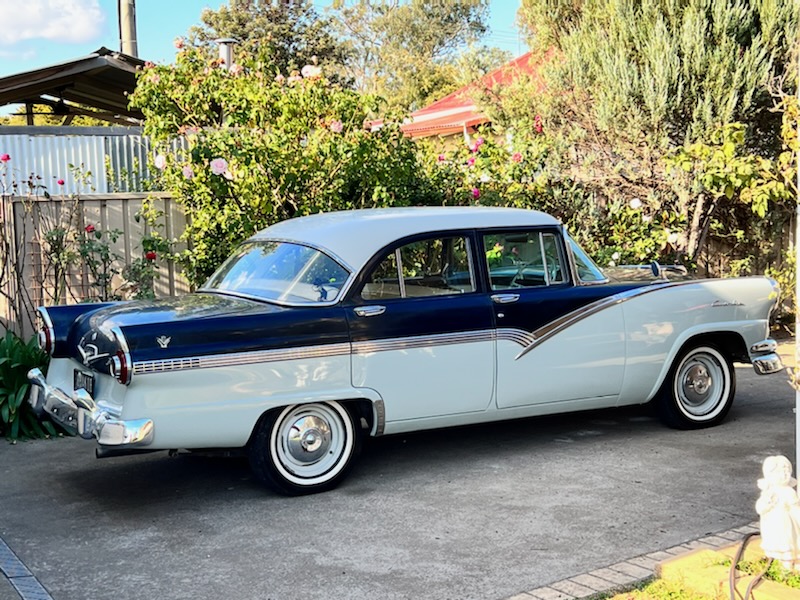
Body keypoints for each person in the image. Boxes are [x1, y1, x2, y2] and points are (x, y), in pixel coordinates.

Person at [756, 455, 800, 570]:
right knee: (777, 543)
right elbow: (760, 508)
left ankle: (792, 564)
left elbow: (795, 508)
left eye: (787, 472)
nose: (784, 475)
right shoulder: (768, 492)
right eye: (779, 473)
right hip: (773, 524)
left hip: (787, 524)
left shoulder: (789, 492)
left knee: (790, 543)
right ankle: (780, 564)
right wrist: (766, 504)